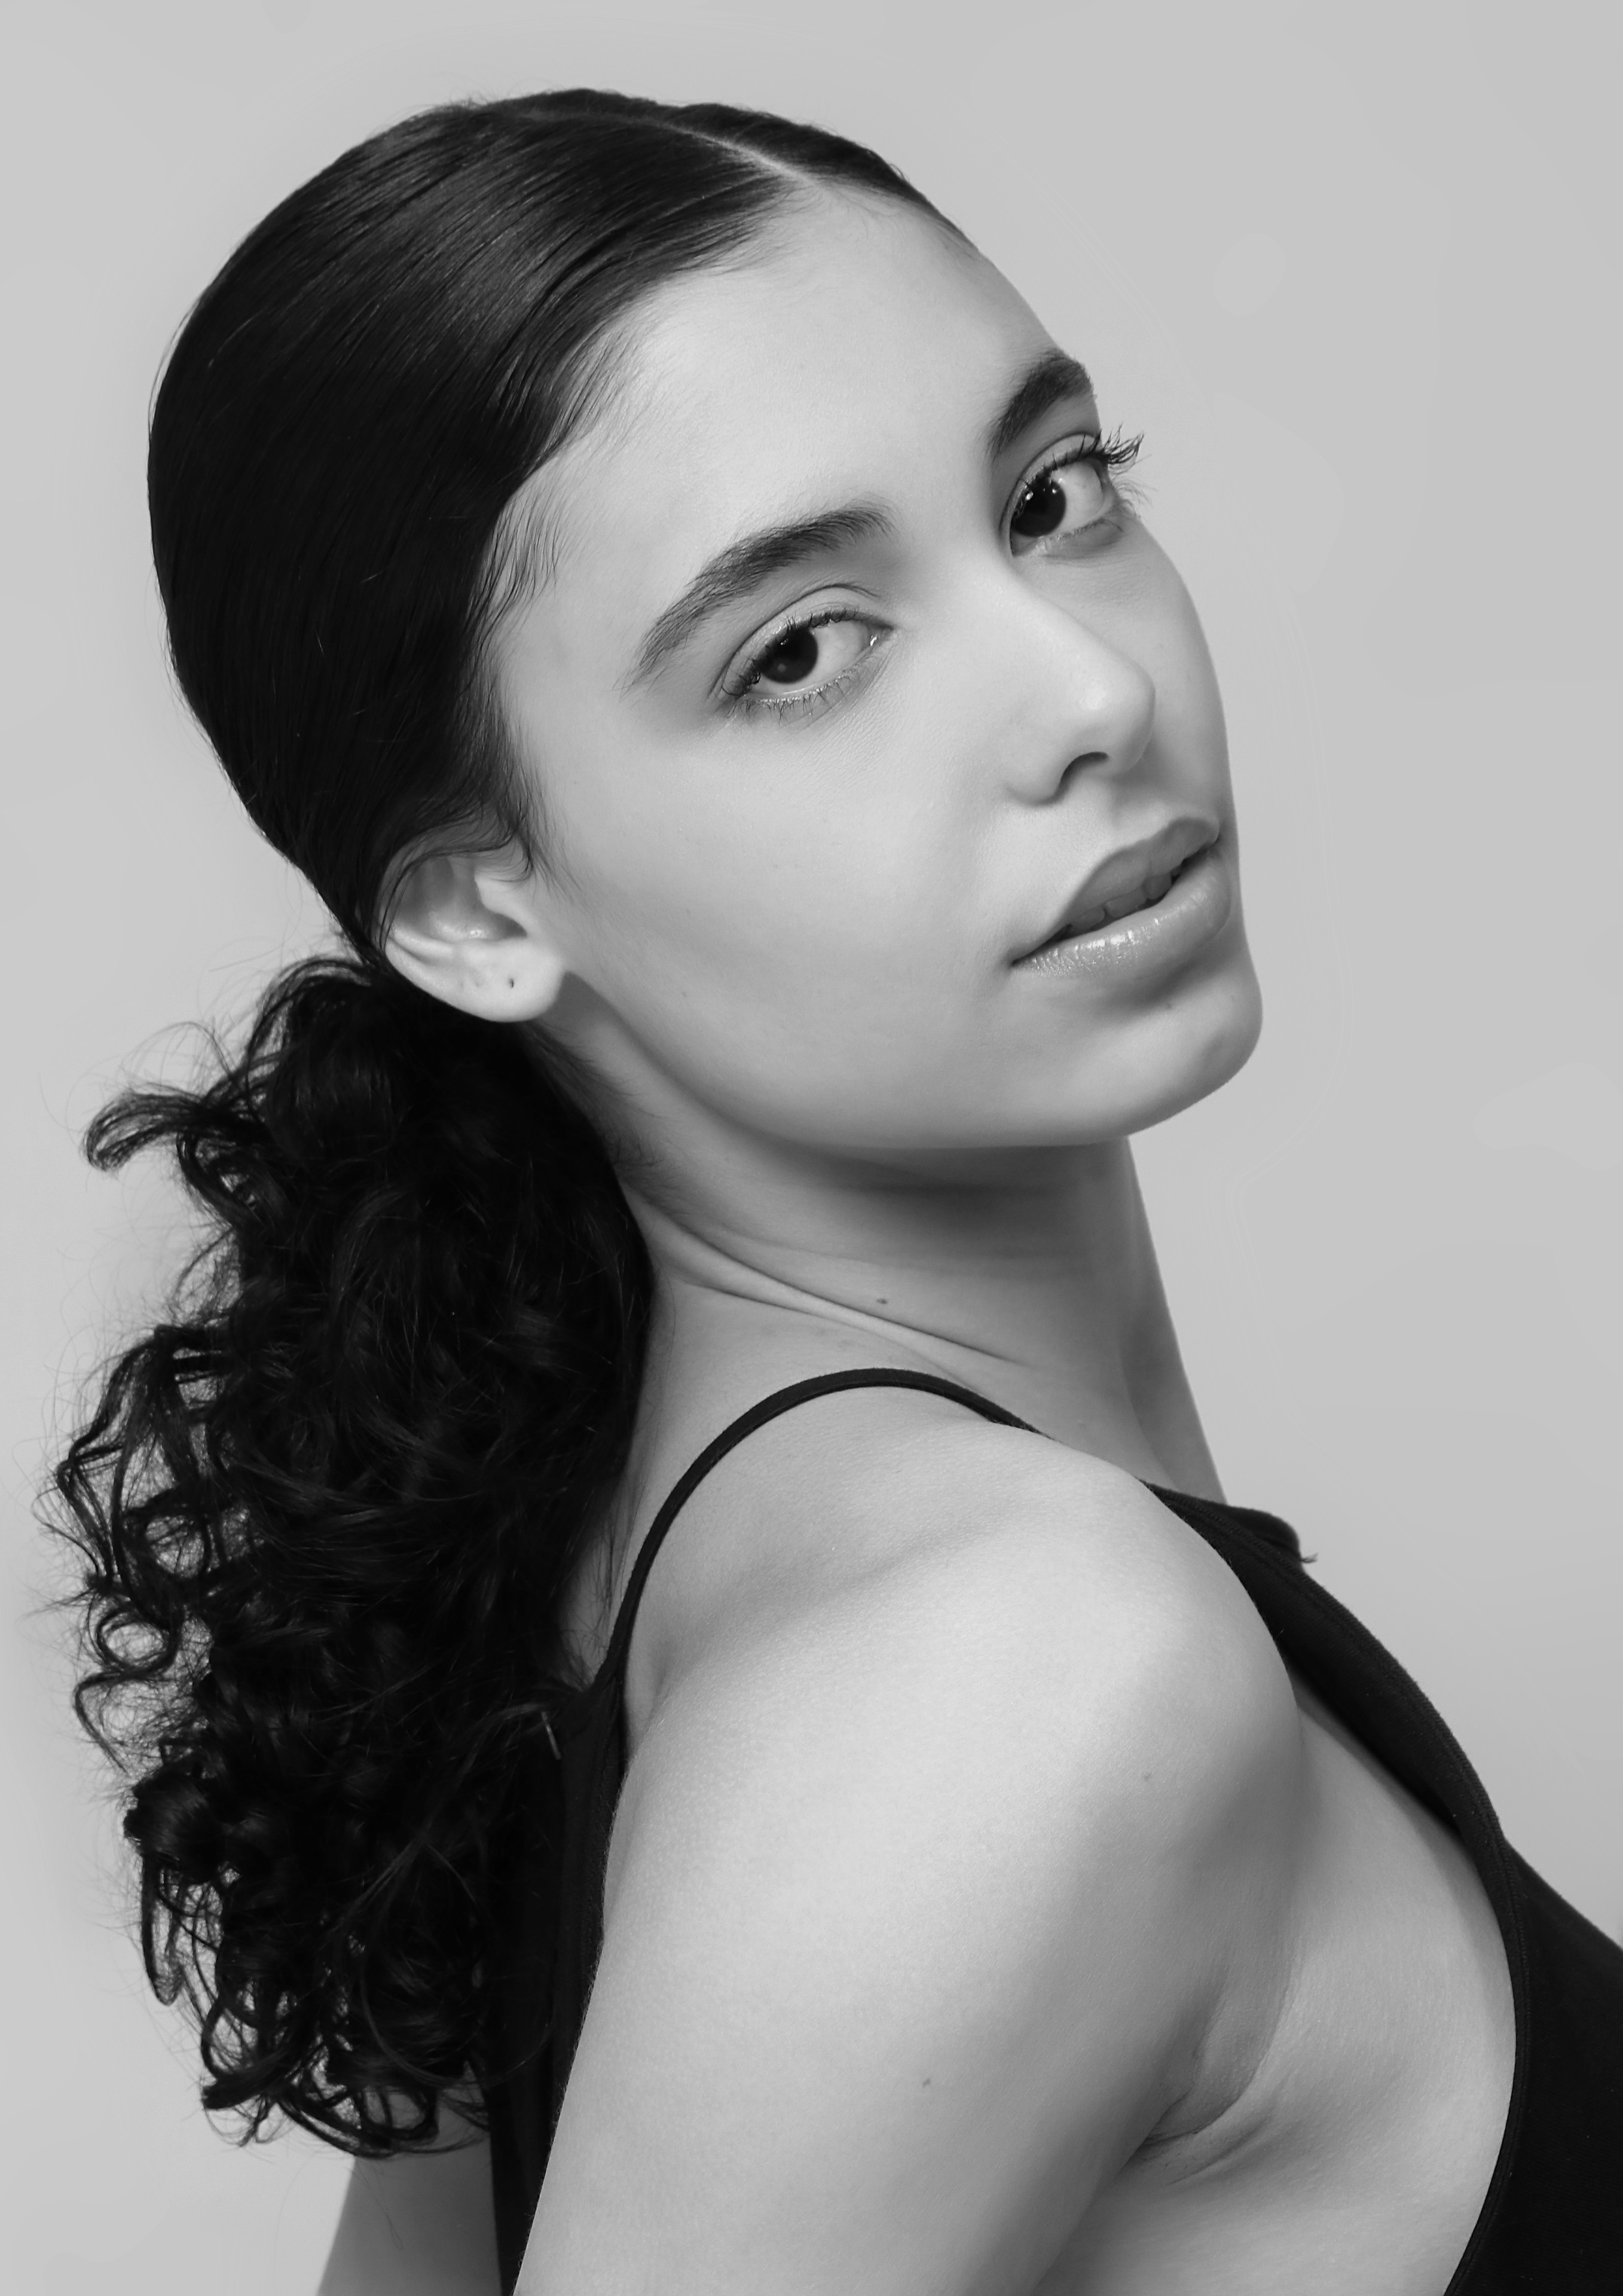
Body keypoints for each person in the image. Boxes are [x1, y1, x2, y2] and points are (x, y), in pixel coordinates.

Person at [51, 88, 1623, 2296]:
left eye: (1050, 498)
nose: (1091, 689)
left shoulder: (592, 1569)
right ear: (480, 910)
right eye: (797, 650)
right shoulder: (1004, 1675)